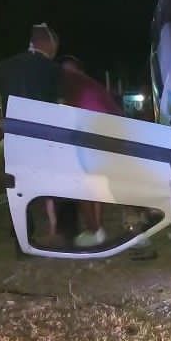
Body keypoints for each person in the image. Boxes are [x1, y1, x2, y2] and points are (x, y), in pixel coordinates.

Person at [0, 23, 64, 246]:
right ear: (48, 44)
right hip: (46, 137)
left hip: (16, 138)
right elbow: (62, 106)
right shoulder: (54, 70)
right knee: (56, 184)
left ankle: (22, 239)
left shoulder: (5, 66)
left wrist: (0, 121)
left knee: (18, 187)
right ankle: (58, 231)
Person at [60, 55, 123, 247]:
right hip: (106, 133)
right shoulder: (93, 86)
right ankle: (99, 228)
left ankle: (95, 230)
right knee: (97, 183)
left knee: (81, 185)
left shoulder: (70, 87)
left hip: (88, 134)